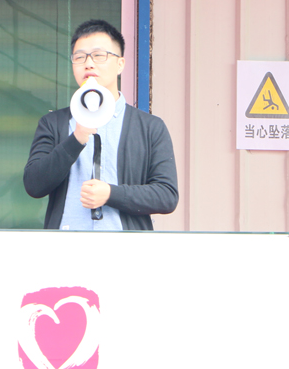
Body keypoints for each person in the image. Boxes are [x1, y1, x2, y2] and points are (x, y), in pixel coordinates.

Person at [24, 19, 178, 230]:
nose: (88, 63)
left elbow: (167, 195)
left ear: (120, 64)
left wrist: (111, 194)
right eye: (80, 57)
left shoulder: (150, 127)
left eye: (99, 55)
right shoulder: (53, 123)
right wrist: (75, 140)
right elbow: (34, 185)